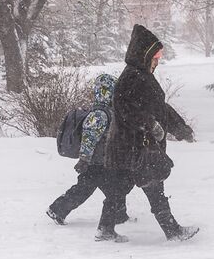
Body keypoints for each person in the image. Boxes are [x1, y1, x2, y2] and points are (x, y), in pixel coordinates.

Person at [96, 24, 199, 243]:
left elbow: (161, 108)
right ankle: (173, 231)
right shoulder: (131, 78)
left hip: (130, 148)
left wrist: (181, 129)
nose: (158, 60)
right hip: (135, 147)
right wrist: (150, 124)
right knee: (153, 187)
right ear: (144, 55)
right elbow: (126, 110)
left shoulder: (142, 76)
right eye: (156, 56)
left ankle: (105, 229)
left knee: (118, 190)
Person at [46, 74, 130, 225]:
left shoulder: (107, 111)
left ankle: (119, 214)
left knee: (112, 188)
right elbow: (89, 136)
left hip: (103, 160)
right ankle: (57, 209)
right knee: (89, 189)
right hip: (96, 162)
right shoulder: (99, 114)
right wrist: (84, 159)